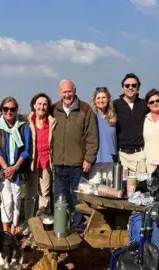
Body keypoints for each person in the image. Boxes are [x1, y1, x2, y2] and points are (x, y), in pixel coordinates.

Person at [52, 79, 98, 230]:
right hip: (59, 162)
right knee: (60, 196)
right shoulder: (54, 109)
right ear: (60, 93)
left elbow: (92, 136)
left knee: (78, 197)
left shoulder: (85, 109)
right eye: (64, 92)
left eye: (69, 91)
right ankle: (62, 224)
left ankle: (78, 226)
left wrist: (89, 159)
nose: (67, 95)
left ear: (74, 91)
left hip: (79, 163)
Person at [0, 97, 31, 234]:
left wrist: (15, 168)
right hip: (2, 168)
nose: (9, 112)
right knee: (6, 202)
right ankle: (5, 232)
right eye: (6, 109)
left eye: (12, 109)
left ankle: (13, 229)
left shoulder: (23, 126)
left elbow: (26, 150)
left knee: (16, 200)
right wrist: (6, 169)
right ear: (1, 110)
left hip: (18, 169)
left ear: (16, 110)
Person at [25, 93, 56, 222]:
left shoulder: (52, 122)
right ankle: (29, 221)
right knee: (31, 194)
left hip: (46, 162)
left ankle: (41, 221)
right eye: (39, 104)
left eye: (44, 104)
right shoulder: (27, 122)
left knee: (45, 193)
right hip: (32, 162)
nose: (41, 107)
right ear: (34, 105)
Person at [113, 73, 148, 173]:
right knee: (119, 186)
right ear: (123, 87)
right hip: (121, 155)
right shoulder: (115, 104)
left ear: (138, 87)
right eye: (127, 85)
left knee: (141, 186)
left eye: (134, 85)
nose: (130, 88)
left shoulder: (144, 104)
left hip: (139, 154)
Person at [88, 87, 118, 187]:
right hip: (96, 160)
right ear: (95, 101)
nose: (101, 100)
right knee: (94, 190)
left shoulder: (113, 117)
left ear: (108, 99)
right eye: (98, 98)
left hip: (111, 161)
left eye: (104, 97)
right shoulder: (91, 117)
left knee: (111, 189)